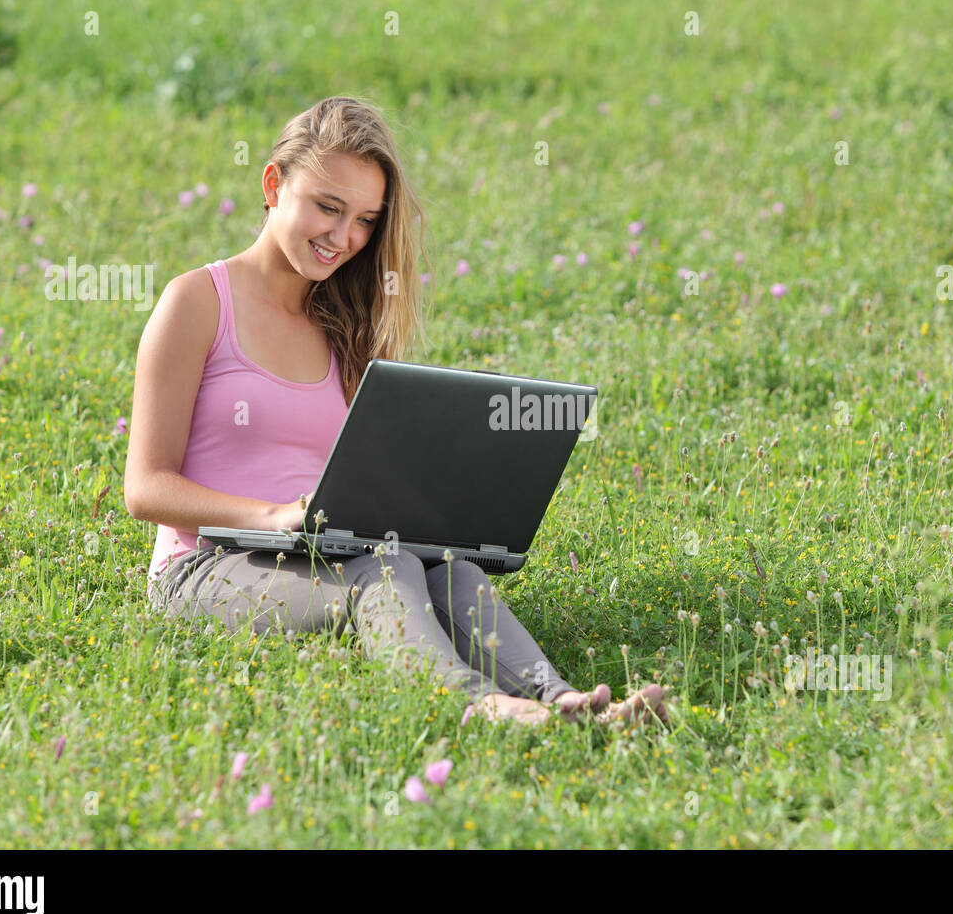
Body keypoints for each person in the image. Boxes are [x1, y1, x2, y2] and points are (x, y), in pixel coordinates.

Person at [124, 96, 668, 728]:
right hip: (203, 566)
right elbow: (146, 488)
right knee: (381, 567)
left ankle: (564, 702)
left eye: (363, 220)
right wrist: (270, 517)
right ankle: (475, 707)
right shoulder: (196, 301)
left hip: (321, 547)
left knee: (449, 569)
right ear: (273, 184)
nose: (342, 237)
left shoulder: (345, 326)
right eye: (327, 207)